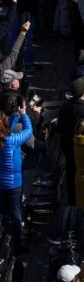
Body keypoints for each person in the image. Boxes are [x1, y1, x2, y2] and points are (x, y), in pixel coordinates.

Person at [0, 100, 34, 251]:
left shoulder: (5, 138)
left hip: (0, 183)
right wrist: (24, 114)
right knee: (15, 214)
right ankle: (17, 245)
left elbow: (8, 128)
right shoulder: (11, 140)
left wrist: (14, 116)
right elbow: (28, 131)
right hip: (14, 184)